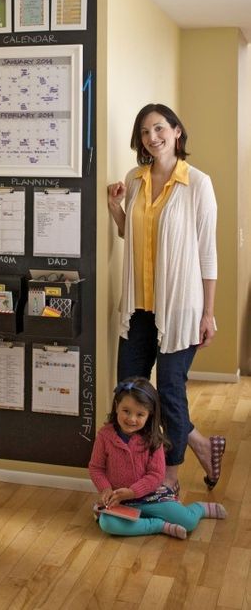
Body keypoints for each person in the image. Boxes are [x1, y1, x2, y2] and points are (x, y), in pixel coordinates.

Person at [107, 104, 225, 493]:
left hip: (181, 308)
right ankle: (194, 445)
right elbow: (134, 238)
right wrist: (116, 211)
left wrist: (208, 312)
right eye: (144, 132)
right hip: (139, 307)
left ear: (176, 131)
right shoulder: (134, 179)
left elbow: (207, 252)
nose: (151, 137)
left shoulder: (198, 184)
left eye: (159, 128)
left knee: (171, 390)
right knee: (131, 388)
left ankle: (170, 477)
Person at [89, 378, 227, 539]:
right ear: (116, 406)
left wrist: (133, 492)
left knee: (188, 522)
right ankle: (159, 525)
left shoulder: (153, 439)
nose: (132, 419)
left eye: (140, 414)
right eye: (126, 411)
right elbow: (96, 468)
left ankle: (200, 508)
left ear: (149, 415)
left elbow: (156, 475)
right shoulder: (105, 435)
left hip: (151, 496)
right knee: (108, 524)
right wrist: (105, 489)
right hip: (118, 500)